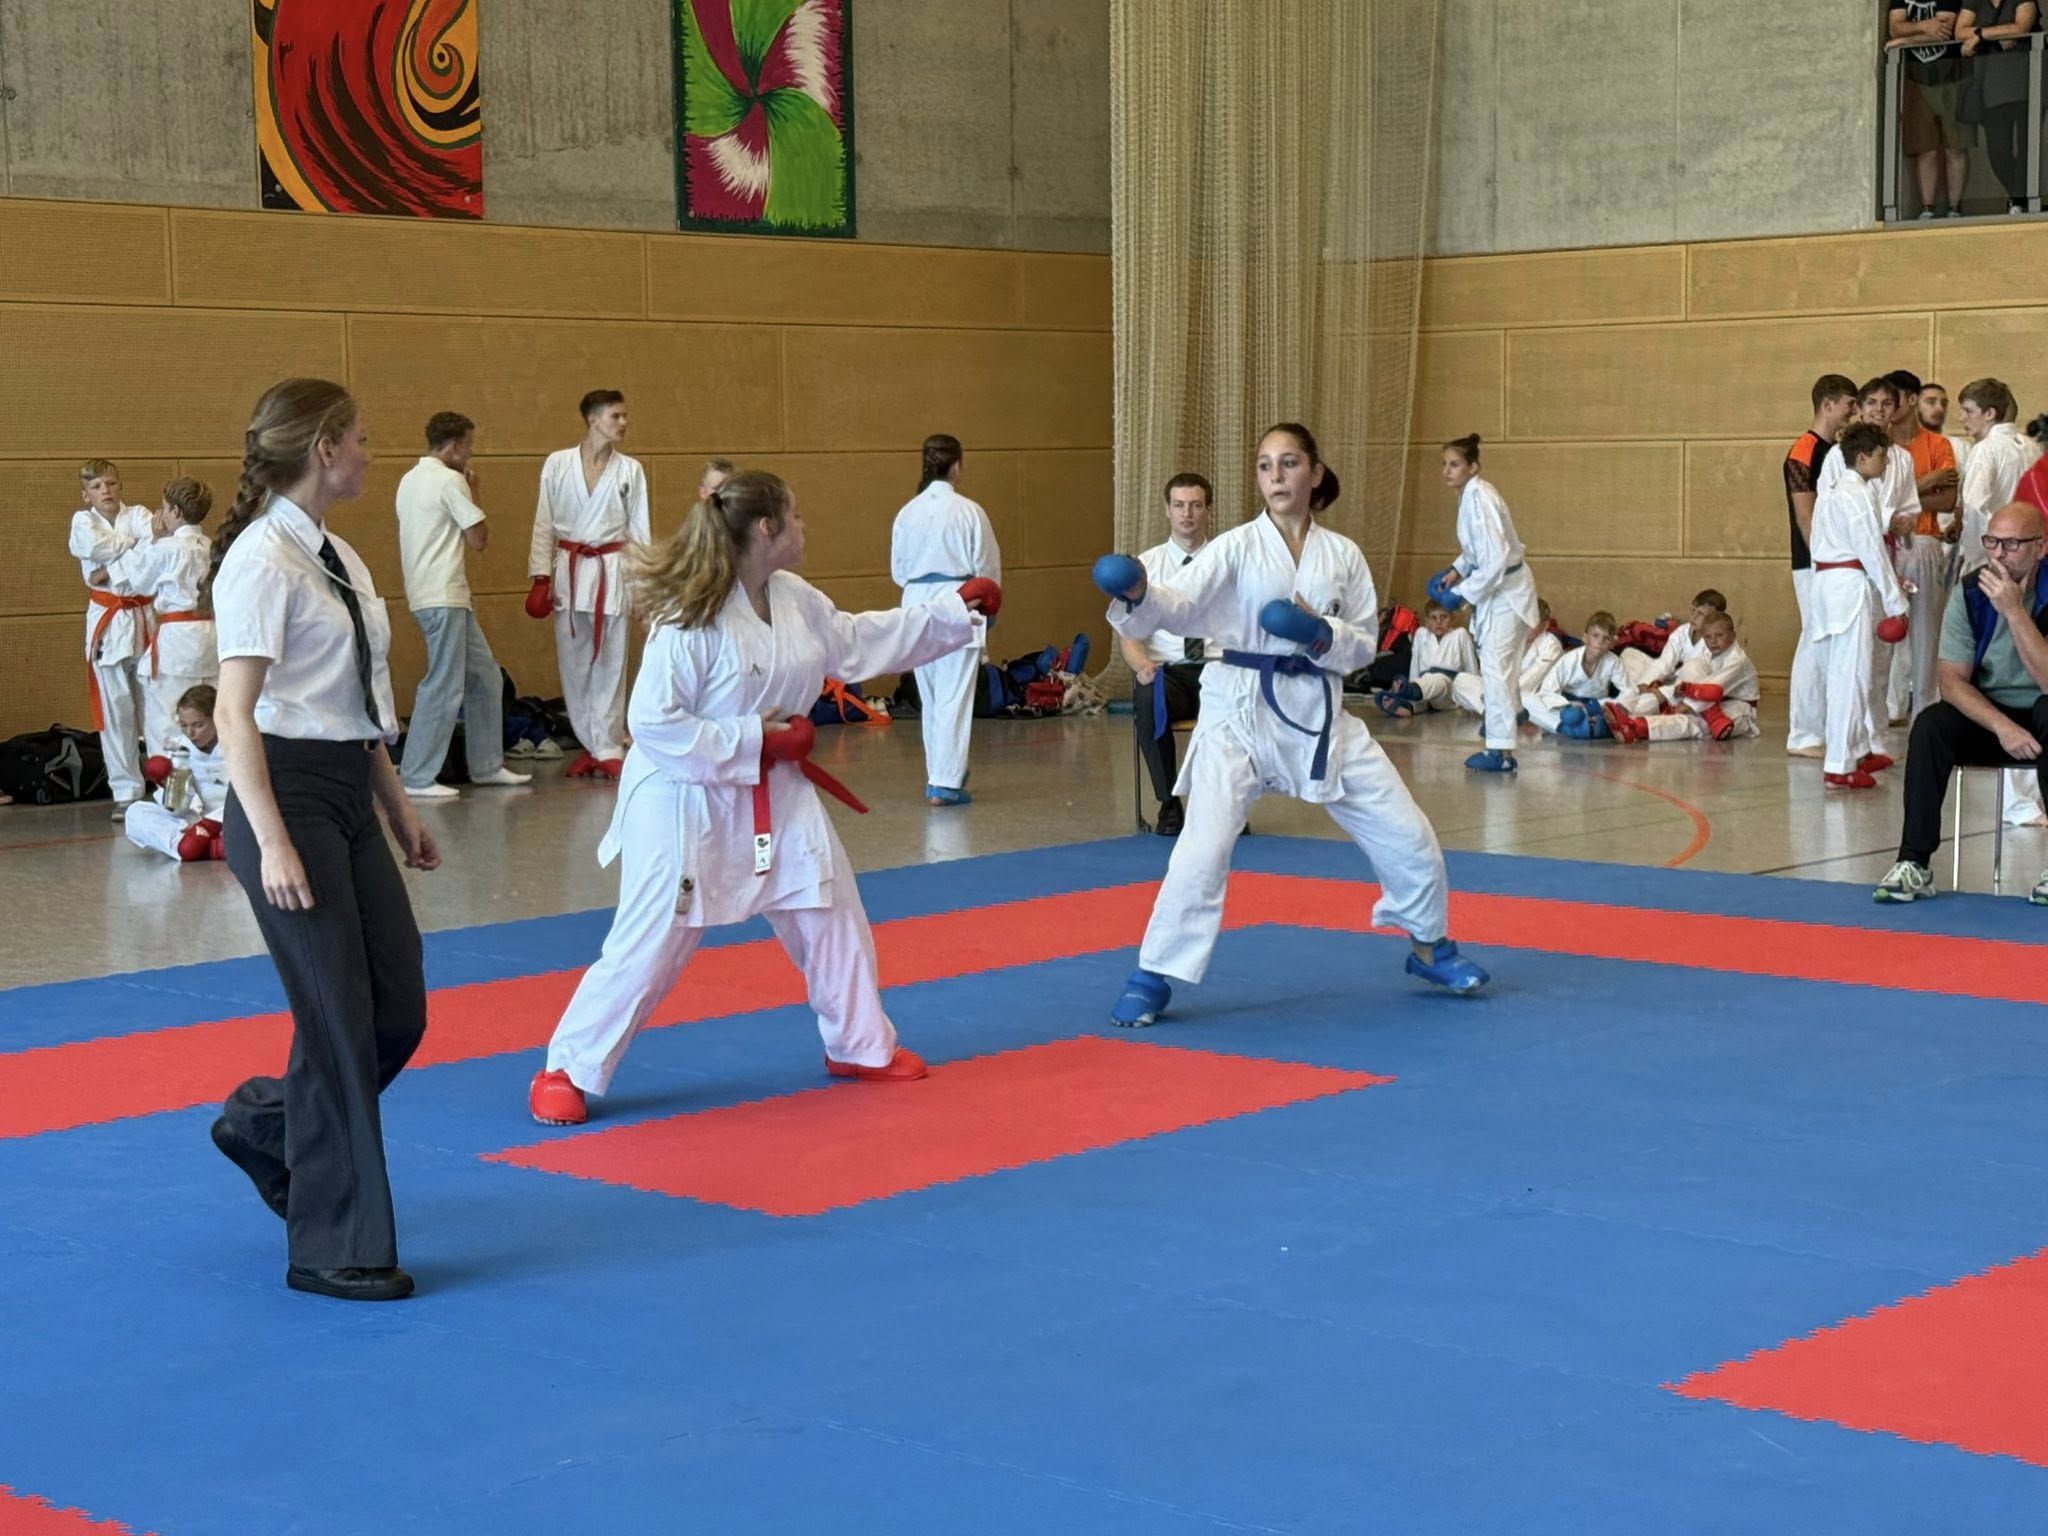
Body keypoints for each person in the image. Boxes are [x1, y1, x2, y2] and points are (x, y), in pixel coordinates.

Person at [526, 471, 999, 1126]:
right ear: (767, 528)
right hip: (685, 796)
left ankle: (859, 1043)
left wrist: (951, 612)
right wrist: (754, 739)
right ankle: (567, 1067)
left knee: (829, 905)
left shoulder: (794, 598)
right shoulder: (690, 615)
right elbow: (653, 723)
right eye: (795, 516)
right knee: (654, 937)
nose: (804, 527)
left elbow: (856, 640)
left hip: (774, 786)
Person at [1089, 422, 1490, 1030]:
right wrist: (1140, 591)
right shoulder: (1235, 546)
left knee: (1407, 832)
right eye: (1264, 466)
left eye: (1288, 463)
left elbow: (1364, 644)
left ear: (1315, 473)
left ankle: (1430, 947)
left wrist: (1322, 633)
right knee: (1200, 851)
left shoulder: (1343, 554)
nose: (1275, 476)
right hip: (1238, 710)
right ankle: (1153, 975)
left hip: (1320, 710)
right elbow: (1179, 603)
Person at [207, 378, 439, 1304]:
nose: (371, 452)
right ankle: (332, 1246)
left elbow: (356, 709)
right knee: (339, 1021)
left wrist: (399, 810)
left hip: (347, 790)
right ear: (324, 448)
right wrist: (272, 843)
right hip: (285, 799)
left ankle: (267, 1125)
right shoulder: (261, 560)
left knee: (397, 1009)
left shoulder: (339, 555)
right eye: (362, 438)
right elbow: (235, 714)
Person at [1877, 500, 2048, 902]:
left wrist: (2013, 611)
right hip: (1993, 718)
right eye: (1992, 542)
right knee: (1931, 725)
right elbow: (1952, 682)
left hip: (2043, 711)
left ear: (2041, 547)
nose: (1998, 555)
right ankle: (1914, 862)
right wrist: (2002, 726)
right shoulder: (1969, 592)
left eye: (2012, 544)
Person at [394, 412, 530, 799]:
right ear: (455, 446)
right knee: (443, 683)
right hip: (444, 595)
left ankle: (486, 765)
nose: (470, 454)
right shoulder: (450, 480)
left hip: (429, 594)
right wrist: (474, 490)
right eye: (468, 446)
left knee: (486, 677)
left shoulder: (408, 480)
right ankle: (417, 776)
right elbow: (478, 539)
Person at [527, 390, 651, 780]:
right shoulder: (557, 463)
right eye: (616, 416)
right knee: (575, 664)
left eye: (624, 415)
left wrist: (642, 588)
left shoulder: (630, 470)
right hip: (571, 572)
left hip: (612, 572)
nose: (624, 423)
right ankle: (590, 743)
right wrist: (540, 577)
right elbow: (544, 522)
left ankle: (609, 746)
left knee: (611, 661)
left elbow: (640, 532)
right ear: (594, 419)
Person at [889, 434, 1001, 805]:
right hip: (959, 599)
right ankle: (946, 781)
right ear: (957, 465)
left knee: (932, 694)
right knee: (955, 692)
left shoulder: (907, 512)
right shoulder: (969, 510)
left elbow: (898, 571)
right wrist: (990, 608)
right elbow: (987, 569)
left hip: (915, 602)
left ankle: (940, 772)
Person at [1801, 423, 1912, 787]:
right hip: (1849, 588)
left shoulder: (1831, 491)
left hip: (1827, 585)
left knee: (1843, 673)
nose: (1886, 463)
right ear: (1862, 458)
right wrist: (1896, 601)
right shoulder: (1857, 494)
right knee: (1852, 677)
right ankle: (1840, 765)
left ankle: (1857, 748)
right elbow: (1871, 549)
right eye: (1882, 456)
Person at [1435, 433, 1540, 773]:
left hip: (1506, 591)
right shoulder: (1470, 495)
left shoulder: (1480, 499)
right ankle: (1513, 712)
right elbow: (1477, 550)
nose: (1447, 471)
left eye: (1454, 465)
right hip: (1503, 589)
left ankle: (1500, 751)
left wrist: (1461, 594)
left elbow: (1495, 560)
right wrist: (1457, 570)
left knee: (1495, 667)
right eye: (1444, 464)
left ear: (1473, 467)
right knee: (1500, 664)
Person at [95, 477, 218, 755]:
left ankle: (171, 779)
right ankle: (214, 775)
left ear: (175, 511)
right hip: (211, 638)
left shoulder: (166, 548)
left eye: (163, 508)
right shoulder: (211, 547)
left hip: (177, 641)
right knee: (209, 710)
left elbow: (139, 582)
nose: (159, 514)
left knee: (168, 717)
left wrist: (156, 539)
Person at [1123, 473, 1214, 836]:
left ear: (1208, 510)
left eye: (1195, 505)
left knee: (1238, 707)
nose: (1187, 513)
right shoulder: (1145, 567)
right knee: (1148, 697)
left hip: (1217, 667)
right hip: (1168, 670)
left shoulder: (1227, 562)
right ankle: (1169, 802)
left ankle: (1222, 806)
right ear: (1167, 510)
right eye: (1179, 505)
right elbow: (1129, 635)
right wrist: (1142, 665)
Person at [69, 459, 156, 817]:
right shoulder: (82, 522)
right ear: (86, 495)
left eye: (111, 483)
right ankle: (127, 792)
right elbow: (94, 547)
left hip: (144, 616)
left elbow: (155, 546)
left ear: (120, 486)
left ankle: (168, 786)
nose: (105, 491)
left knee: (157, 707)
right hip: (108, 621)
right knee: (116, 709)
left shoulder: (138, 514)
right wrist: (132, 547)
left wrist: (111, 568)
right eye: (96, 486)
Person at [1786, 375, 1860, 758]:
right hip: (1814, 563)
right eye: (1850, 404)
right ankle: (1803, 734)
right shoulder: (1805, 449)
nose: (1854, 411)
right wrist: (1822, 562)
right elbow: (1805, 513)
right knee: (1814, 642)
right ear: (1828, 404)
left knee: (1826, 643)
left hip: (1833, 565)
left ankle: (1826, 728)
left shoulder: (1836, 450)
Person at [1889, 369, 1958, 722]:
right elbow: (1877, 504)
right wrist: (1926, 482)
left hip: (1924, 541)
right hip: (1885, 544)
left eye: (1893, 400)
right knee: (1885, 632)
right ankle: (1885, 710)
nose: (1887, 407)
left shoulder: (1937, 445)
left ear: (1911, 400)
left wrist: (1900, 501)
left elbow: (1947, 501)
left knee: (1926, 633)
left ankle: (1925, 713)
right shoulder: (1880, 444)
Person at [1602, 610, 1763, 744]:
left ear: (1733, 636)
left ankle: (1636, 727)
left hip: (1737, 708)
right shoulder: (1709, 654)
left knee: (1695, 723)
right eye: (1708, 637)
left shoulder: (1737, 660)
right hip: (1707, 702)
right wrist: (1667, 693)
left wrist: (1682, 705)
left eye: (1719, 635)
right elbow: (1690, 678)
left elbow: (1712, 690)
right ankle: (1623, 710)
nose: (1713, 641)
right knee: (1685, 674)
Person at [124, 685, 230, 861]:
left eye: (198, 725)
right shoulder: (182, 748)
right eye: (184, 725)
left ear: (217, 718)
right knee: (135, 813)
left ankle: (207, 847)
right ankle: (195, 844)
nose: (190, 733)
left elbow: (251, 798)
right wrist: (167, 785)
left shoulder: (237, 743)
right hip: (203, 823)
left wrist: (211, 824)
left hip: (236, 818)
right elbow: (177, 811)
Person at [1959, 2, 2040, 212]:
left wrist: (1979, 36)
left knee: (2027, 148)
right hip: (1993, 85)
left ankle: (2020, 203)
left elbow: (2021, 26)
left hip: (2028, 80)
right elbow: (1959, 31)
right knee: (1998, 152)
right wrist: (1997, 33)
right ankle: (2020, 198)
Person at [1889, 3, 1969, 217]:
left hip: (1951, 76)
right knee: (1925, 148)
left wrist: (1905, 40)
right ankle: (1927, 208)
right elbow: (1894, 28)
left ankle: (1954, 208)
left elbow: (1944, 32)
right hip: (1917, 78)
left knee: (1955, 147)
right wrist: (1924, 26)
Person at [1956, 377, 2031, 572]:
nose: (1961, 418)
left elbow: (1975, 508)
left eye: (1968, 411)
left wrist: (1973, 559)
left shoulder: (1985, 449)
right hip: (2028, 554)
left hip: (1991, 556)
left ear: (1989, 413)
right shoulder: (2032, 447)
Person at [1450, 599, 1562, 720]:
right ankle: (1492, 712)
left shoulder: (1551, 646)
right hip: (1501, 695)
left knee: (1523, 700)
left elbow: (1531, 680)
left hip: (1529, 696)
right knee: (1461, 680)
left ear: (1545, 624)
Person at [1527, 612, 1626, 738]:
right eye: (1595, 636)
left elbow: (1629, 692)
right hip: (1570, 706)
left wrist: (1598, 707)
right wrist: (1566, 704)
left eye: (1606, 638)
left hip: (1598, 707)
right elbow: (1547, 691)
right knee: (1526, 700)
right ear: (1585, 638)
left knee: (1644, 701)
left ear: (1612, 643)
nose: (1599, 642)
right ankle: (1571, 728)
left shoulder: (1614, 662)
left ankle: (1592, 725)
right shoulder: (1569, 660)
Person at [1377, 600, 1476, 717]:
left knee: (1438, 681)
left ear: (1452, 618)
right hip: (1423, 686)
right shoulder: (1421, 634)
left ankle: (1408, 692)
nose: (1439, 622)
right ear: (1427, 621)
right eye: (1433, 618)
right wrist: (1412, 681)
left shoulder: (1460, 634)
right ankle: (1405, 706)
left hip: (1449, 691)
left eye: (1444, 617)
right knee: (1421, 691)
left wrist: (1476, 693)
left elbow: (1471, 665)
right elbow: (1415, 664)